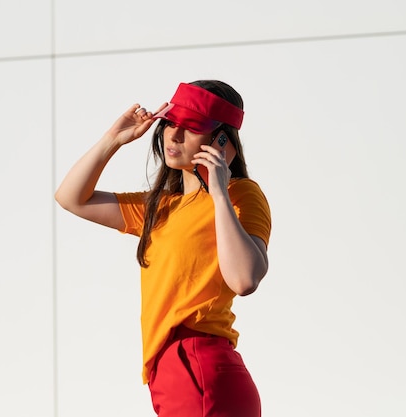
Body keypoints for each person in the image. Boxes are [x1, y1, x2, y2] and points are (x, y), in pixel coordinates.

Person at [55, 80, 272, 417]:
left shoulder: (240, 195)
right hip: (174, 373)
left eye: (192, 126)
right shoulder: (160, 207)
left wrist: (219, 193)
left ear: (222, 140)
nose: (174, 134)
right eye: (170, 122)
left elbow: (244, 279)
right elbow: (70, 198)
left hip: (200, 367)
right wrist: (113, 139)